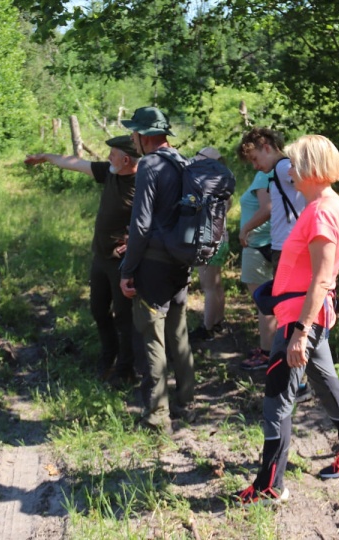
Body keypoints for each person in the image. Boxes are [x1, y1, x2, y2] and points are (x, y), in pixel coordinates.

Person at [233, 135, 339, 506]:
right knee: (326, 384)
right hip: (302, 314)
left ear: (310, 168)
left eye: (293, 164)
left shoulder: (323, 210)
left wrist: (300, 332)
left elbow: (322, 278)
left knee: (277, 399)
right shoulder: (320, 206)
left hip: (302, 319)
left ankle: (269, 486)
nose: (288, 170)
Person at [24, 136, 140, 385]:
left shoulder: (142, 184)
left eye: (113, 153)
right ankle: (108, 356)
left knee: (124, 317)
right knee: (98, 310)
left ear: (126, 159)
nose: (108, 157)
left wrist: (134, 244)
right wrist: (46, 157)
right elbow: (76, 163)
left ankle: (126, 369)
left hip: (122, 262)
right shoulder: (109, 172)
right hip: (100, 257)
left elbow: (155, 221)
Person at [119, 106, 195, 435]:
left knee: (153, 336)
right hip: (181, 261)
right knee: (179, 332)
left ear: (143, 136)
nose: (132, 138)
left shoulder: (149, 165)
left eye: (134, 133)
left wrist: (127, 268)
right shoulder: (184, 162)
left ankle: (156, 417)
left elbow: (141, 224)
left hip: (154, 265)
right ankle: (186, 402)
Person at [237, 128, 311, 402]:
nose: (256, 166)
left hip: (290, 249)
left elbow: (312, 190)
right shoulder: (279, 170)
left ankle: (297, 381)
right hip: (285, 247)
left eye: (256, 158)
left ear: (266, 146)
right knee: (287, 313)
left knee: (289, 315)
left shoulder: (282, 167)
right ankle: (297, 377)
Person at [235, 169, 277, 366]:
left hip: (257, 244)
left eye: (253, 157)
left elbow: (266, 208)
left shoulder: (263, 175)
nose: (252, 163)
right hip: (274, 243)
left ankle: (268, 353)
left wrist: (245, 229)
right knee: (272, 301)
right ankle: (271, 348)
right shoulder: (285, 173)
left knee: (264, 303)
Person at [189, 147, 230, 343]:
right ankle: (218, 321)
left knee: (209, 287)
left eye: (199, 156)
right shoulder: (223, 183)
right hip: (220, 238)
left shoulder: (207, 185)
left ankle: (207, 328)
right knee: (215, 284)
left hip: (208, 240)